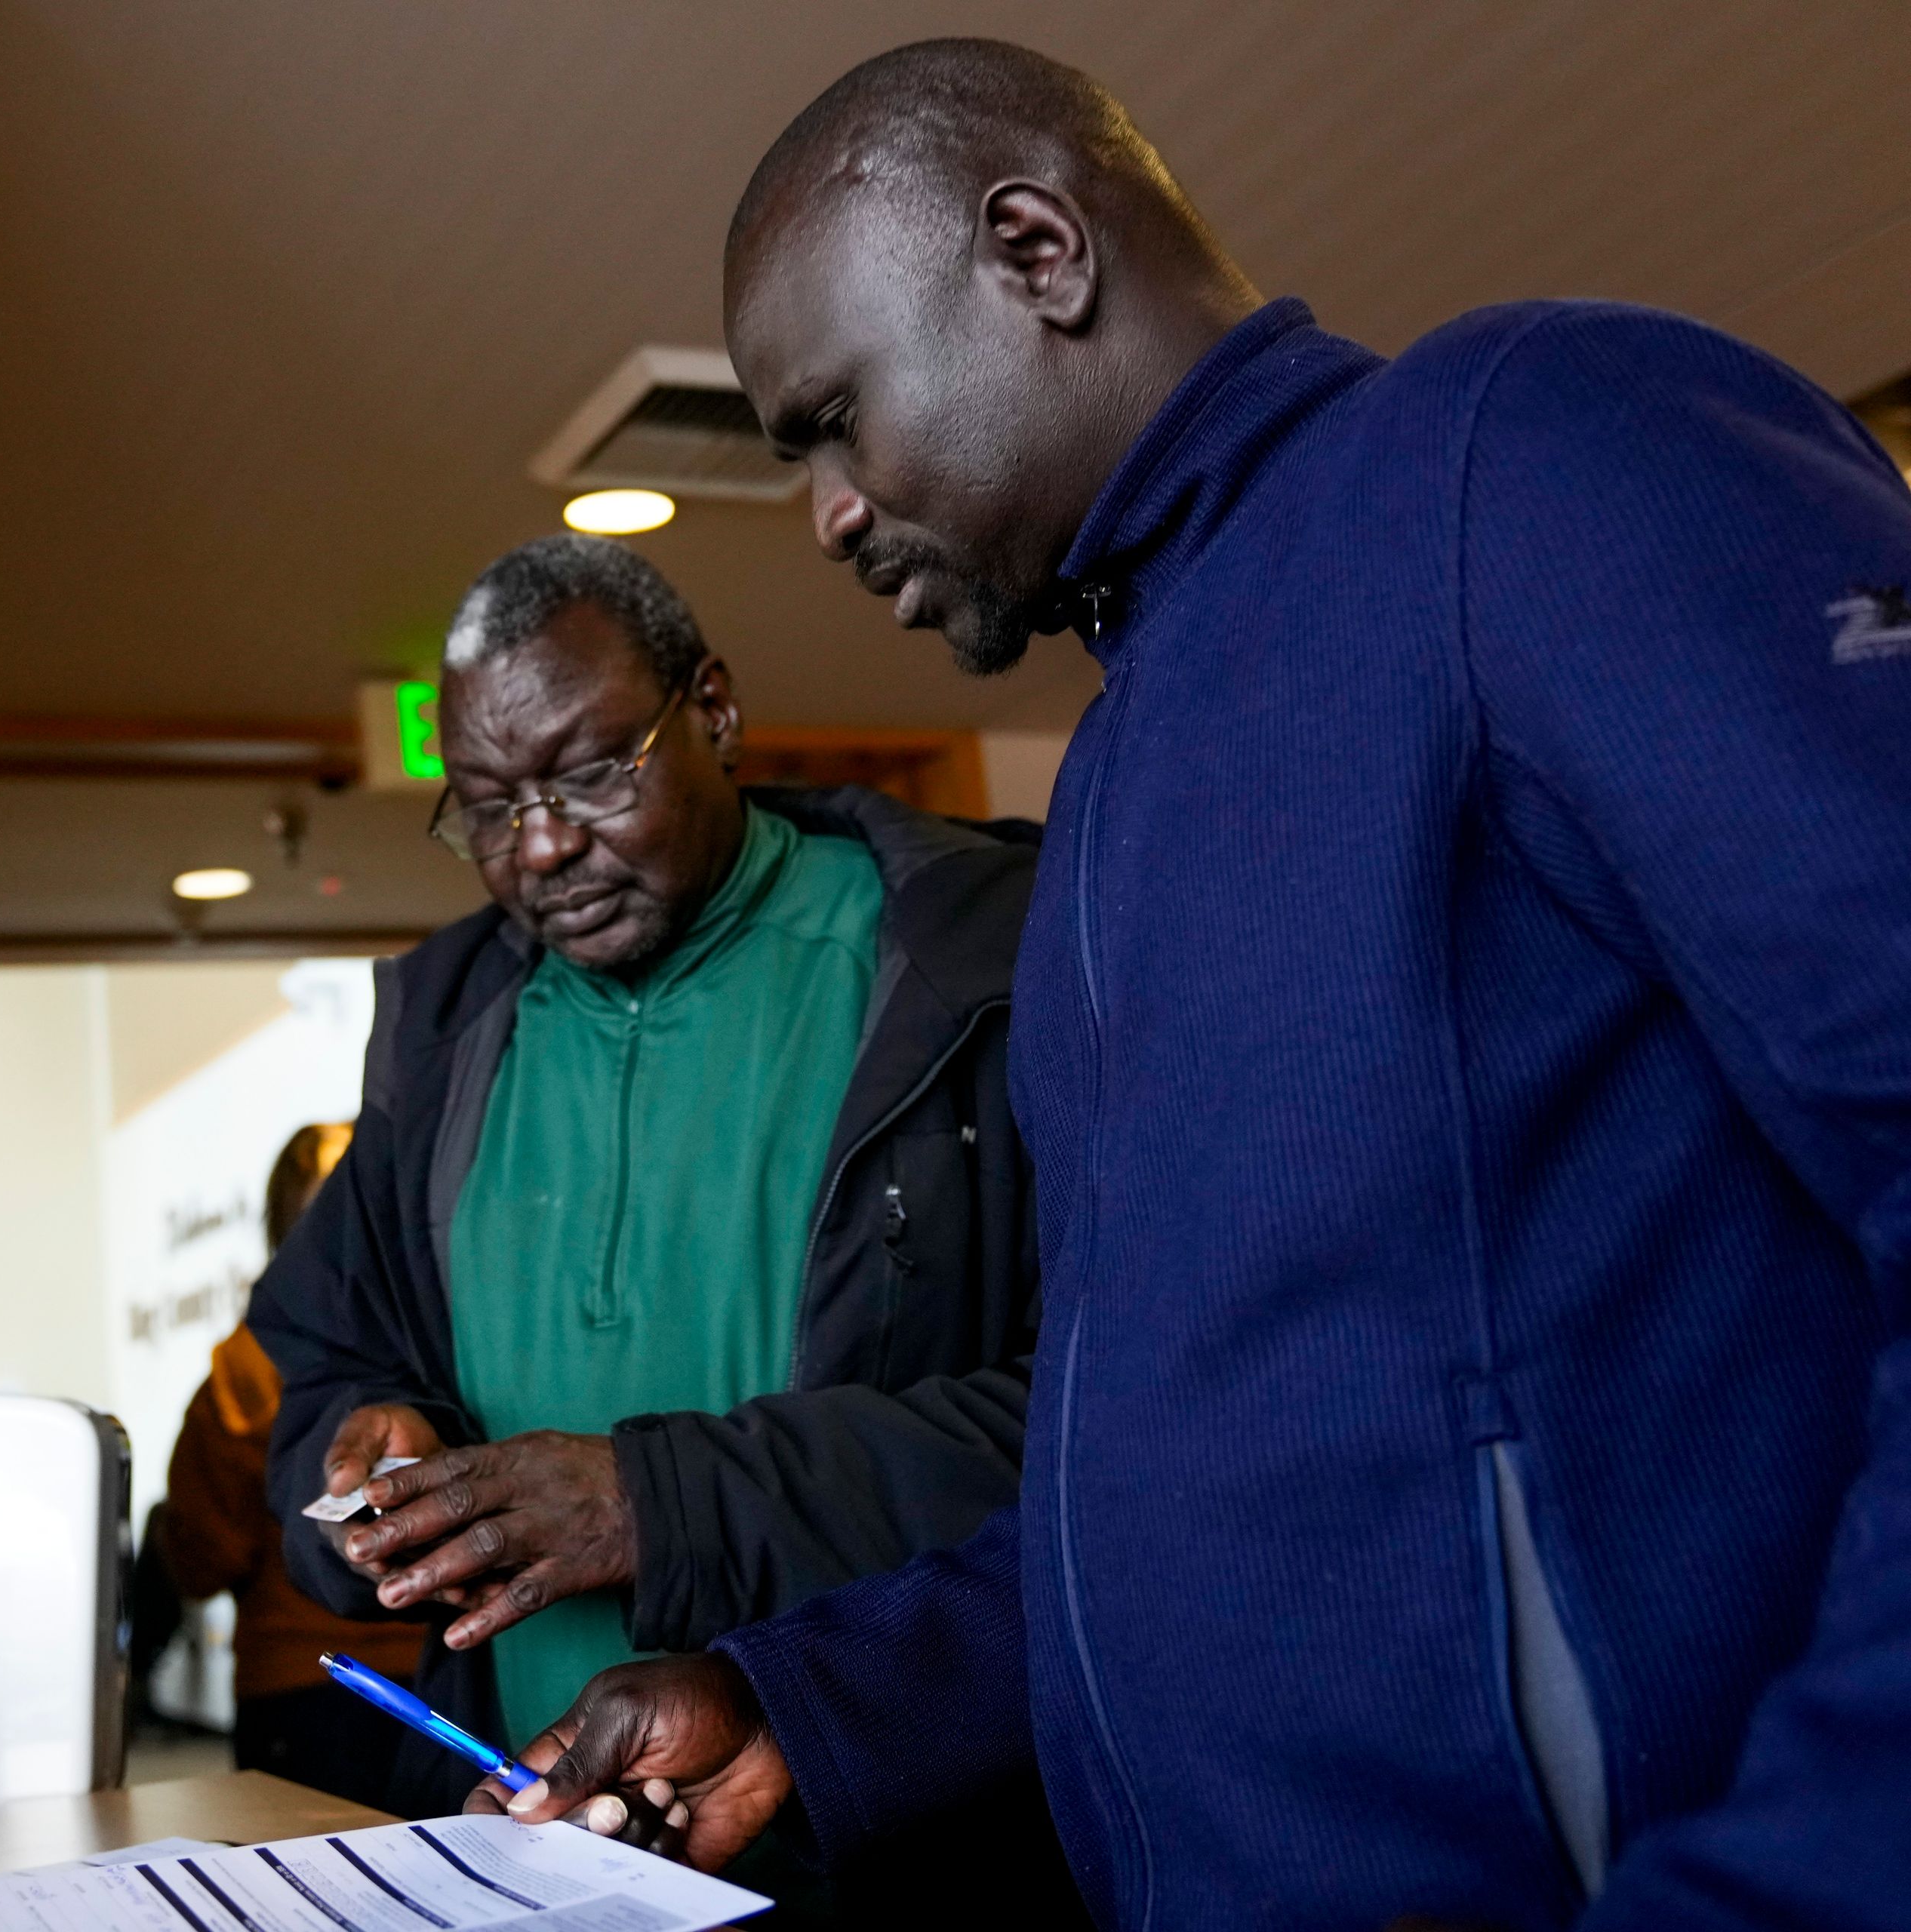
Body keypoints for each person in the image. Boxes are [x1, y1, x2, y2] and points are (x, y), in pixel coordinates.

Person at [489, 36, 1911, 1932]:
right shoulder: (1108, 793)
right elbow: (1186, 1469)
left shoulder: (1530, 446)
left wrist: (1799, 1881)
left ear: (1033, 249)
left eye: (832, 418)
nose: (822, 513)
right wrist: (809, 1705)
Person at [245, 534, 1053, 1860]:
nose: (544, 845)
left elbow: (1090, 1434)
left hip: (898, 1828)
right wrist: (364, 1462)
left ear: (716, 711)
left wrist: (657, 1502)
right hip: (534, 1833)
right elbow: (317, 1371)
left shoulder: (971, 971)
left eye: (591, 774)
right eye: (489, 805)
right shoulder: (442, 1038)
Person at [144, 1123, 427, 1809]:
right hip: (408, 1684)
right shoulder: (431, 1348)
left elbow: (202, 1560)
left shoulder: (239, 1378)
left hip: (309, 1688)